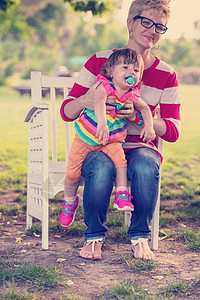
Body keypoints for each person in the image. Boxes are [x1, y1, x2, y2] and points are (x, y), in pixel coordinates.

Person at [60, 0, 181, 260]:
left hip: (138, 145)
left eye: (160, 26)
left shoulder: (166, 74)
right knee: (101, 166)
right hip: (100, 142)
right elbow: (66, 111)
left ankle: (140, 236)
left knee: (147, 165)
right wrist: (88, 101)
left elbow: (173, 130)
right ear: (130, 22)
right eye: (146, 22)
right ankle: (93, 236)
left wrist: (140, 117)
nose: (153, 30)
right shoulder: (100, 61)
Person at [59, 48, 155, 228]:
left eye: (135, 70)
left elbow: (145, 109)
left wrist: (149, 126)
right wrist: (102, 123)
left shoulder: (131, 94)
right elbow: (99, 101)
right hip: (87, 137)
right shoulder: (103, 86)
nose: (130, 73)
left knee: (121, 162)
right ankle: (69, 201)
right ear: (111, 71)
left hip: (111, 139)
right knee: (72, 172)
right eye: (125, 67)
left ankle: (121, 194)